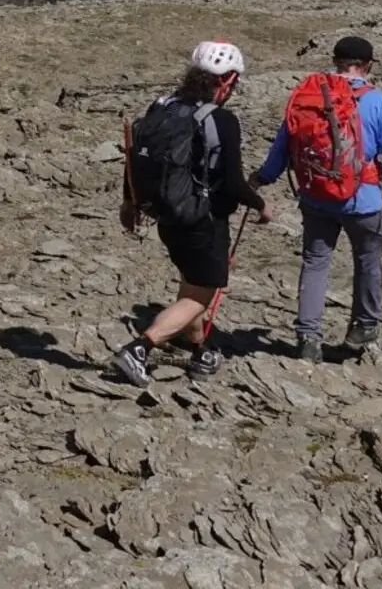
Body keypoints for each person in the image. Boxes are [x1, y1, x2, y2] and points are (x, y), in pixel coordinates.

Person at [110, 40, 271, 388]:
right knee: (204, 291)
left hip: (167, 215)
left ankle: (200, 349)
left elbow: (137, 159)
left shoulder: (163, 106)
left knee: (192, 283)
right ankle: (140, 348)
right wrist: (259, 204)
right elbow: (231, 182)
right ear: (226, 81)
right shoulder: (221, 120)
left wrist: (129, 202)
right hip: (204, 219)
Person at [252, 35, 382, 361]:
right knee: (368, 261)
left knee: (316, 263)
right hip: (364, 200)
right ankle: (363, 326)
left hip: (316, 196)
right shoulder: (379, 102)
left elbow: (281, 150)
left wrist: (261, 179)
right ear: (368, 65)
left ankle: (307, 338)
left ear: (335, 61)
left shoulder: (309, 98)